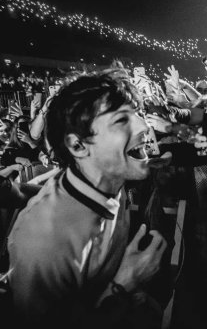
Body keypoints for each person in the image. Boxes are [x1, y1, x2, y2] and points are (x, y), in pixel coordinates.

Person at [7, 69, 169, 328]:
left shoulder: (106, 180)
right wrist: (123, 287)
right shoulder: (45, 242)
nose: (145, 126)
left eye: (136, 113)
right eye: (120, 121)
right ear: (78, 146)